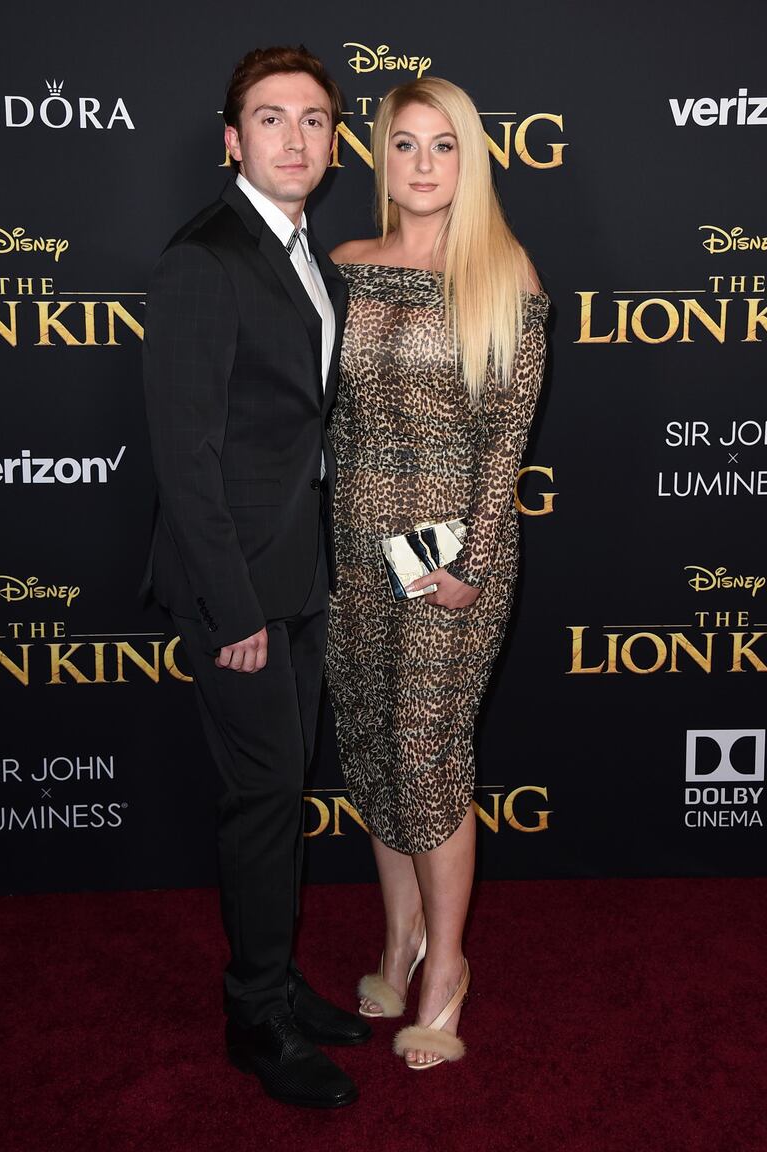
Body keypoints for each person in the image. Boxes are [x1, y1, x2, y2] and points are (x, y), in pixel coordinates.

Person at [142, 45, 370, 1109]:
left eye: (315, 121)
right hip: (234, 587)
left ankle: (279, 985)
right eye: (271, 119)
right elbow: (183, 458)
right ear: (232, 141)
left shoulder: (297, 251)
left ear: (332, 145)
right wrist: (231, 607)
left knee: (281, 798)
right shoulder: (208, 257)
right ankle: (255, 1016)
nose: (296, 138)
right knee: (262, 801)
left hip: (294, 570)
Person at [325, 76, 548, 1070]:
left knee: (426, 757)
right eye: (402, 144)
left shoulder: (502, 274)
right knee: (371, 751)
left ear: (470, 158)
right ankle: (397, 938)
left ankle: (445, 968)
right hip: (349, 547)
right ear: (381, 157)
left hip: (449, 555)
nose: (421, 164)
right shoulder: (344, 264)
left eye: (441, 145)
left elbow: (506, 441)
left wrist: (473, 560)